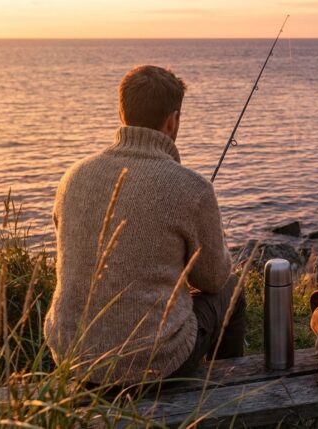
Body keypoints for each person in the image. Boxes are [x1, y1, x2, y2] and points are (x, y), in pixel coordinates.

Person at [43, 65, 246, 386]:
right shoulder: (192, 187)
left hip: (74, 356)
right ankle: (228, 391)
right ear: (172, 120)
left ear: (122, 112)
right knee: (233, 289)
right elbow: (213, 279)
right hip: (155, 362)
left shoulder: (73, 177)